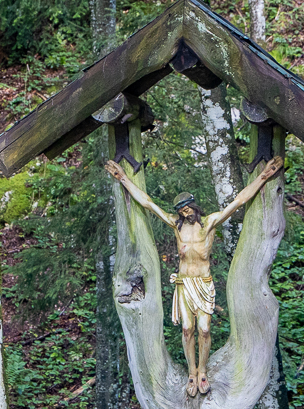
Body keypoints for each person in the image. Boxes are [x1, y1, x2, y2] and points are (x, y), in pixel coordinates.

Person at [104, 156, 284, 396]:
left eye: (188, 209)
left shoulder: (209, 223)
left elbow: (239, 201)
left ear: (194, 207)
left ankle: (203, 371)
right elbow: (148, 203)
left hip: (204, 283)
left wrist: (264, 176)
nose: (185, 213)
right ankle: (191, 372)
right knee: (187, 329)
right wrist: (123, 178)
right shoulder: (176, 226)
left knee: (205, 329)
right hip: (183, 284)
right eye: (181, 210)